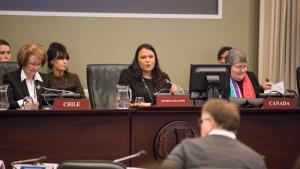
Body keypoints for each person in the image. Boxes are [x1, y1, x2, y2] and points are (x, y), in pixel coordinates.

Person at [161, 99, 267, 169]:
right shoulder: (255, 160)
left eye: (202, 121)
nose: (200, 125)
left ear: (211, 123)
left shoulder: (188, 148)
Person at [3, 43, 50, 109]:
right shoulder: (10, 78)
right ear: (23, 62)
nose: (36, 68)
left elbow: (49, 102)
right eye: (32, 64)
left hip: (41, 117)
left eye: (38, 64)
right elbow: (7, 104)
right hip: (19, 118)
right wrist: (24, 104)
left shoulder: (45, 79)